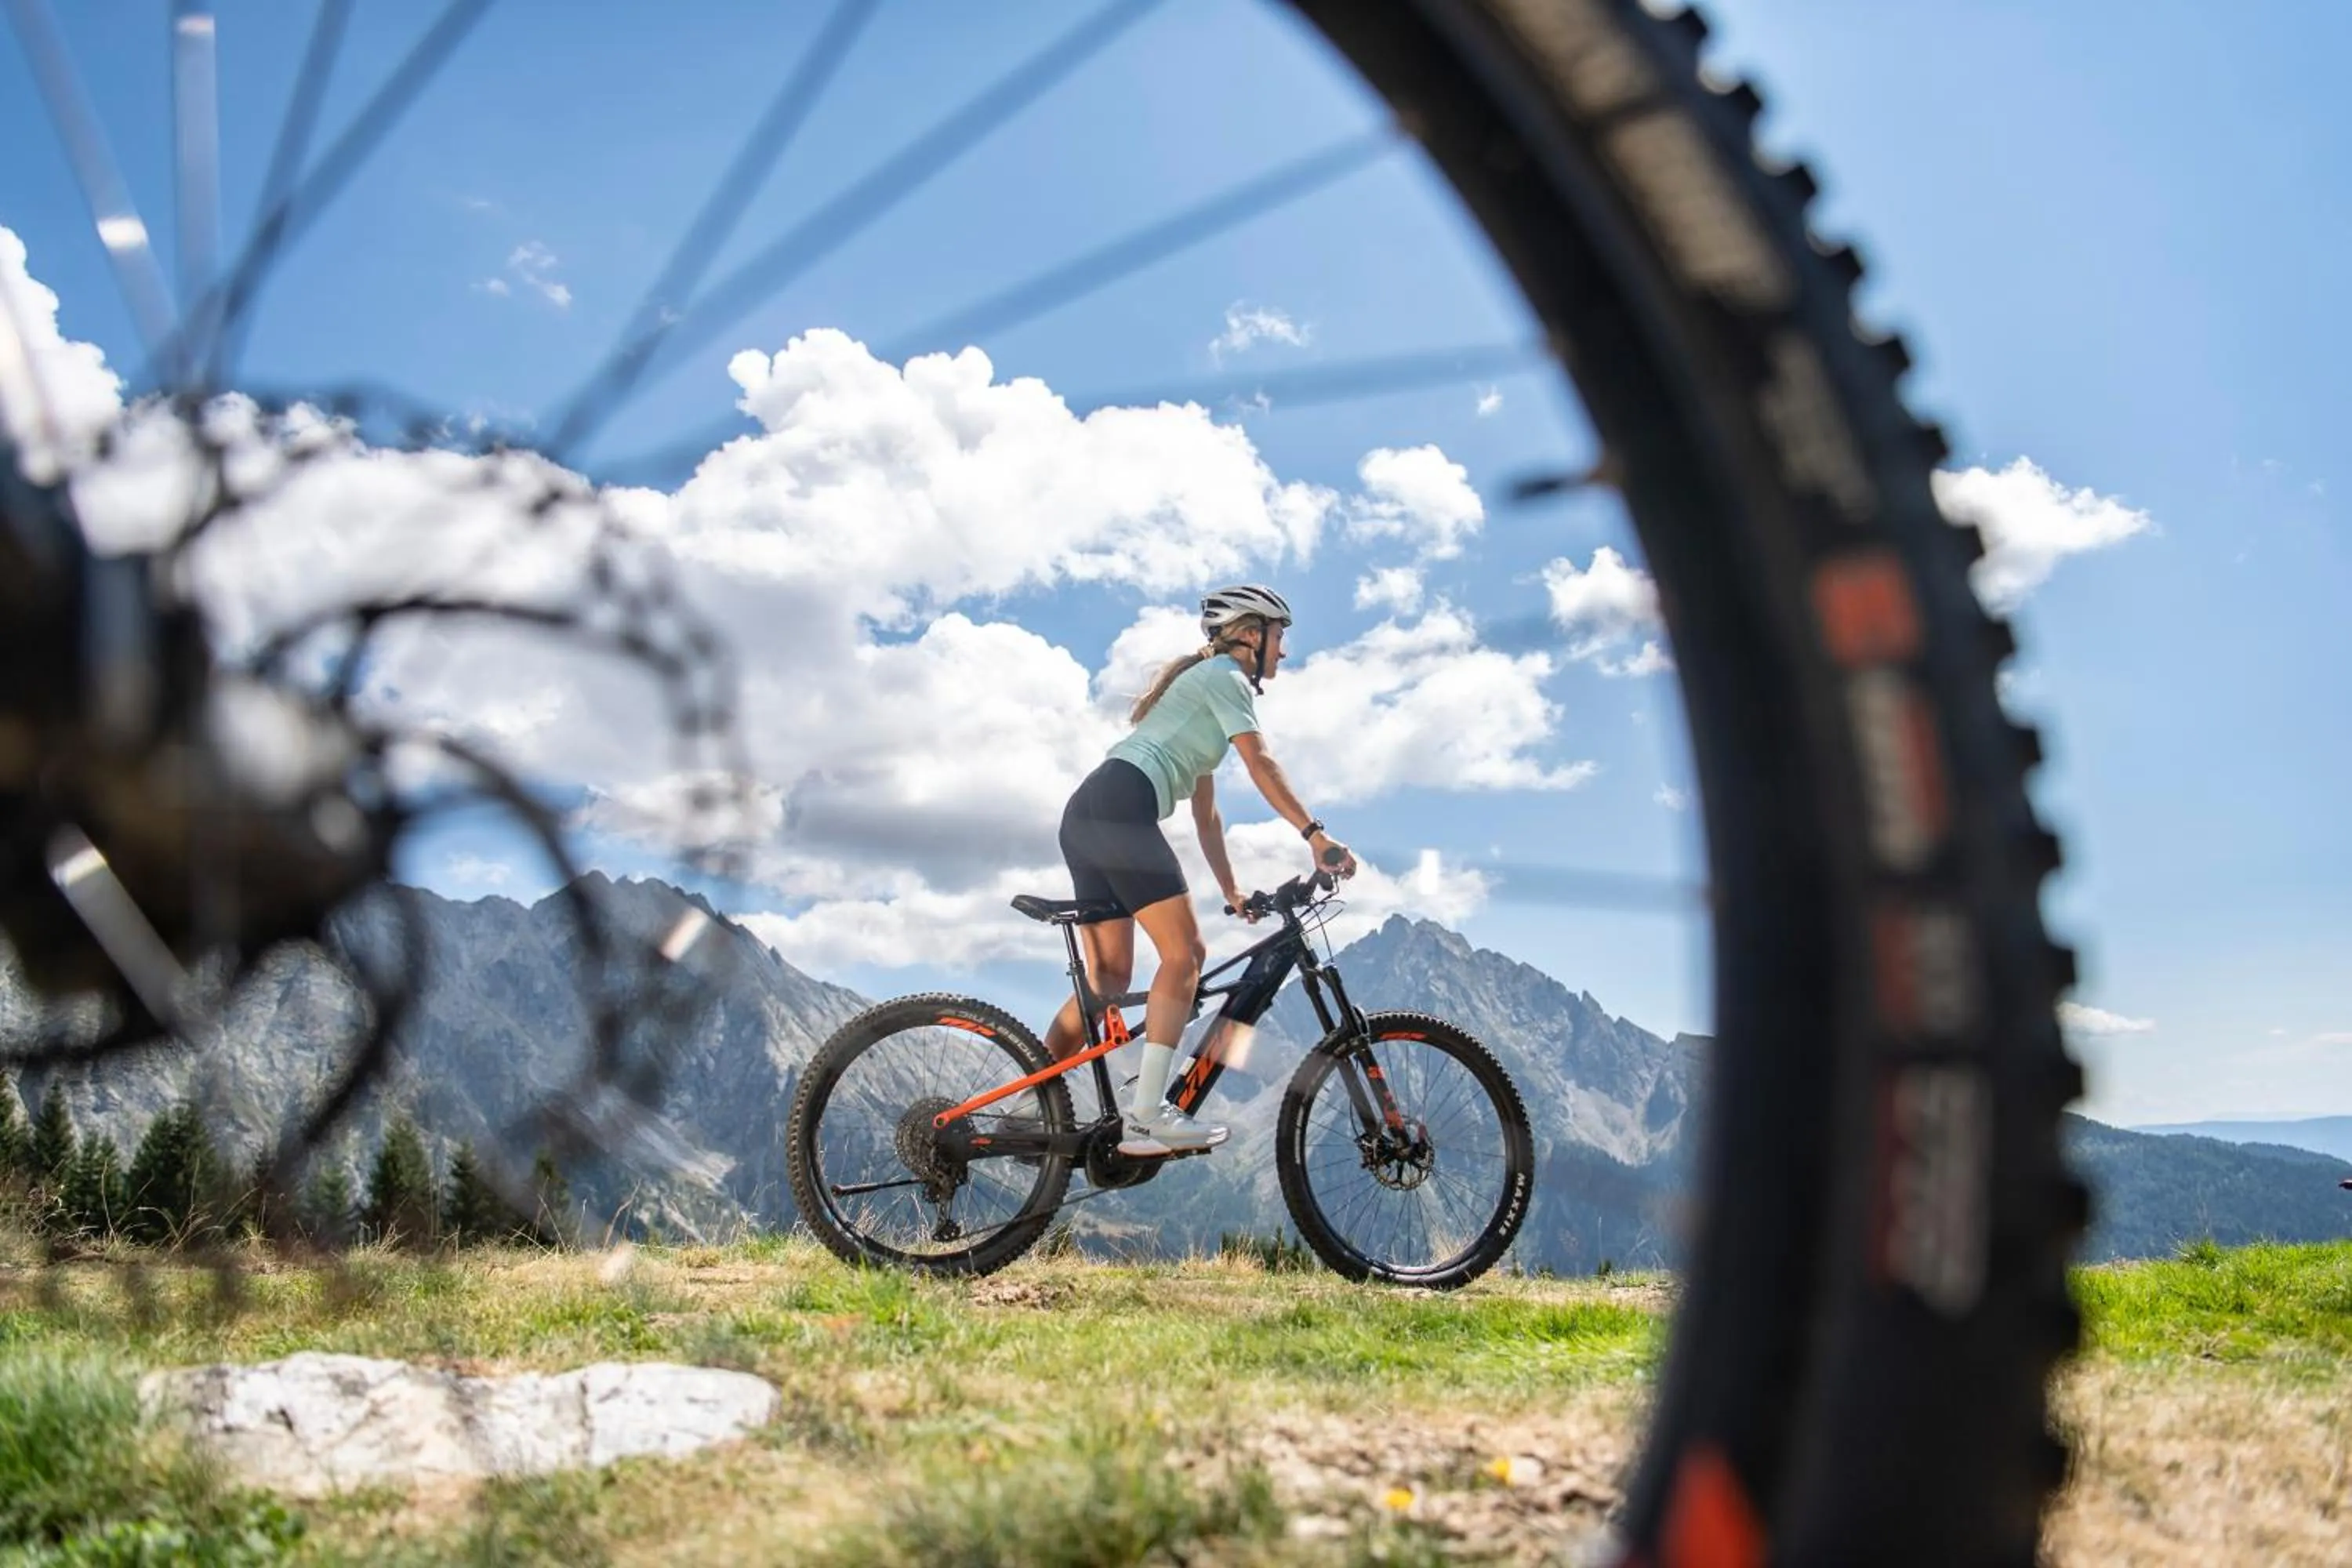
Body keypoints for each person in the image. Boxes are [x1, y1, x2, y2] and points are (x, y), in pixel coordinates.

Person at [1043, 583, 1358, 1156]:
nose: (1283, 651)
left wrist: (1232, 891)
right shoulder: (1227, 680)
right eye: (1279, 635)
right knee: (1185, 956)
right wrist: (1316, 836)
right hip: (1119, 808)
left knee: (1109, 979)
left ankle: (1032, 1102)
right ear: (1249, 633)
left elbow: (1207, 816)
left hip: (1088, 812)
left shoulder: (1200, 698)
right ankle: (1146, 1119)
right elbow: (1261, 761)